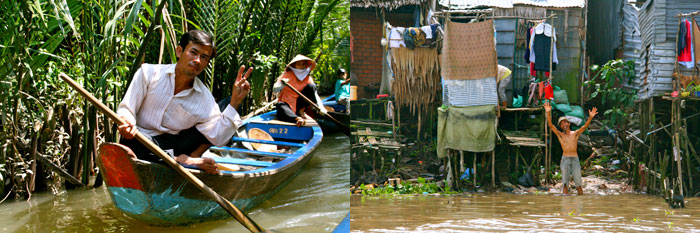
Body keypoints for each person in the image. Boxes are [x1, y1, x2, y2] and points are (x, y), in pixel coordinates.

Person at [116, 30, 252, 174]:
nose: (197, 60)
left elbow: (218, 136)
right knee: (130, 144)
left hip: (171, 145)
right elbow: (127, 109)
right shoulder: (148, 74)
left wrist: (235, 102)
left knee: (226, 109)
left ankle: (181, 158)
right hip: (138, 139)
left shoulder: (204, 99)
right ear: (179, 51)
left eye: (204, 57)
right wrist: (127, 122)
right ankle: (184, 161)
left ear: (206, 63)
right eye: (193, 52)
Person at [544, 101, 598, 195]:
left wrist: (590, 117)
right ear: (560, 126)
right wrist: (548, 112)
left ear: (569, 124)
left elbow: (585, 126)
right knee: (565, 183)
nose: (564, 125)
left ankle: (580, 203)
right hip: (565, 159)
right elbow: (551, 126)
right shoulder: (560, 135)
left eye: (566, 123)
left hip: (575, 159)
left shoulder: (575, 134)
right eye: (562, 124)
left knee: (578, 183)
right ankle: (566, 205)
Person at [273, 54, 326, 127]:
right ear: (294, 65)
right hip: (287, 103)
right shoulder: (287, 74)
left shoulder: (308, 78)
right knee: (280, 106)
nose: (301, 66)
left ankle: (301, 111)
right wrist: (282, 84)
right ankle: (297, 118)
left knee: (311, 86)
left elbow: (315, 94)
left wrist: (321, 107)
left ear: (306, 65)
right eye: (299, 64)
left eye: (303, 64)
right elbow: (275, 89)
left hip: (299, 104)